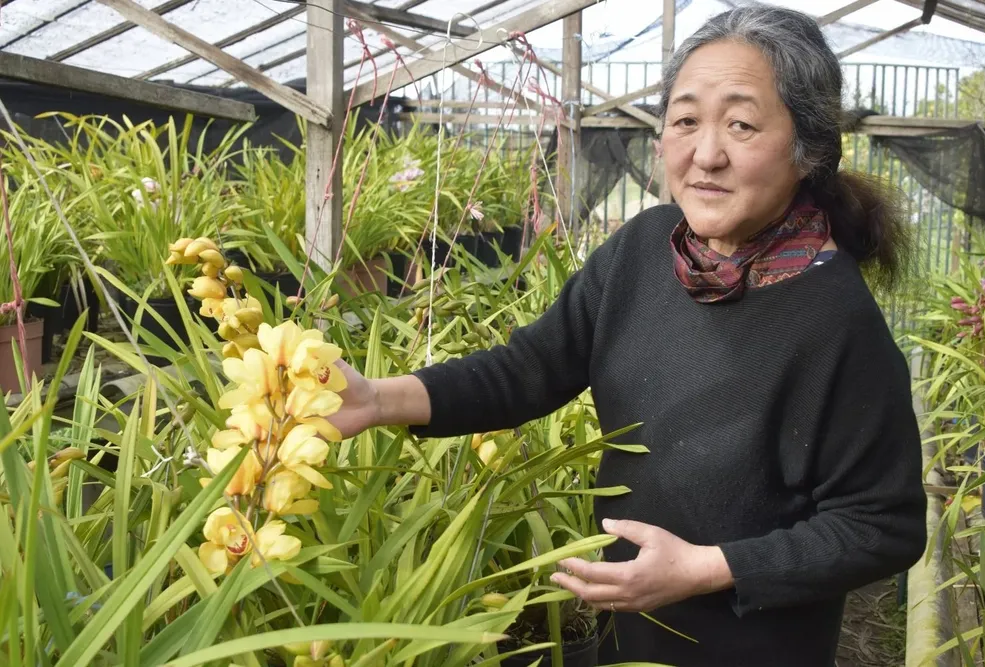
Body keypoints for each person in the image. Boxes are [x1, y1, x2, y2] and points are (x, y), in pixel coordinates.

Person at [327, 5, 928, 665]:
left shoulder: (836, 320)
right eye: (686, 119)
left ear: (807, 148)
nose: (706, 154)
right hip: (629, 635)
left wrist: (708, 566)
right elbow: (529, 367)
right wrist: (379, 399)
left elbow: (883, 526)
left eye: (742, 124)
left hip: (748, 647)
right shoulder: (644, 250)